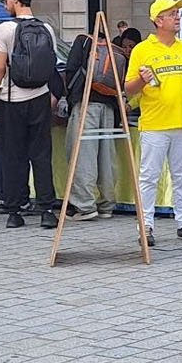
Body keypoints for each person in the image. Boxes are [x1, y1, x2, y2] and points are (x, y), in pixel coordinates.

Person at [124, 0, 182, 246]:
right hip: (154, 125)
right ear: (158, 21)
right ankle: (146, 227)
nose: (177, 17)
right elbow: (128, 89)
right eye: (172, 14)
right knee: (149, 178)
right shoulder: (142, 50)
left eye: (177, 13)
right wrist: (141, 79)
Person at [0, 0, 61, 229]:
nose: (5, 5)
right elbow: (51, 64)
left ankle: (15, 211)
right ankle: (47, 210)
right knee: (41, 155)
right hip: (40, 97)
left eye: (7, 0)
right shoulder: (47, 28)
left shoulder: (5, 29)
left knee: (13, 156)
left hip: (12, 100)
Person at [66, 28, 128, 221]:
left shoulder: (82, 41)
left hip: (86, 104)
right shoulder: (114, 49)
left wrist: (70, 97)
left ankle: (84, 205)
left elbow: (71, 70)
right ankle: (107, 204)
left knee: (83, 155)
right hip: (109, 107)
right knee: (106, 157)